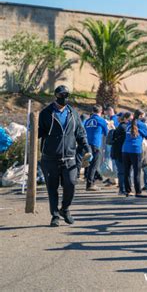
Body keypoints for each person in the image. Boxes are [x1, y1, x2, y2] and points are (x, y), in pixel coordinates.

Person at [38, 85, 91, 227]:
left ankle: (65, 209)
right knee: (52, 188)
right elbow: (39, 133)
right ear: (56, 96)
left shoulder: (73, 113)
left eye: (67, 95)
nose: (65, 98)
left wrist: (86, 147)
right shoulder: (45, 113)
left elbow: (80, 133)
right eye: (62, 95)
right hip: (50, 158)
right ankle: (55, 215)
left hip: (69, 157)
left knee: (71, 184)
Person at [122, 109, 147, 197]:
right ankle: (138, 191)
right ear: (141, 116)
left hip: (125, 149)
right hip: (135, 150)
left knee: (127, 171)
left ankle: (128, 191)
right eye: (144, 116)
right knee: (137, 171)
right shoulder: (142, 125)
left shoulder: (128, 125)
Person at [84, 105, 109, 191]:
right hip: (96, 144)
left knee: (88, 164)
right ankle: (90, 184)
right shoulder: (101, 120)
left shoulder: (87, 121)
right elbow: (106, 132)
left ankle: (90, 182)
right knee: (94, 165)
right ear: (101, 112)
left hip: (86, 144)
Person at [111, 112, 131, 195]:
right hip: (121, 153)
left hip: (116, 152)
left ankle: (122, 189)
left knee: (121, 172)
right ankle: (123, 189)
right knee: (123, 172)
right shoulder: (125, 128)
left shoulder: (119, 127)